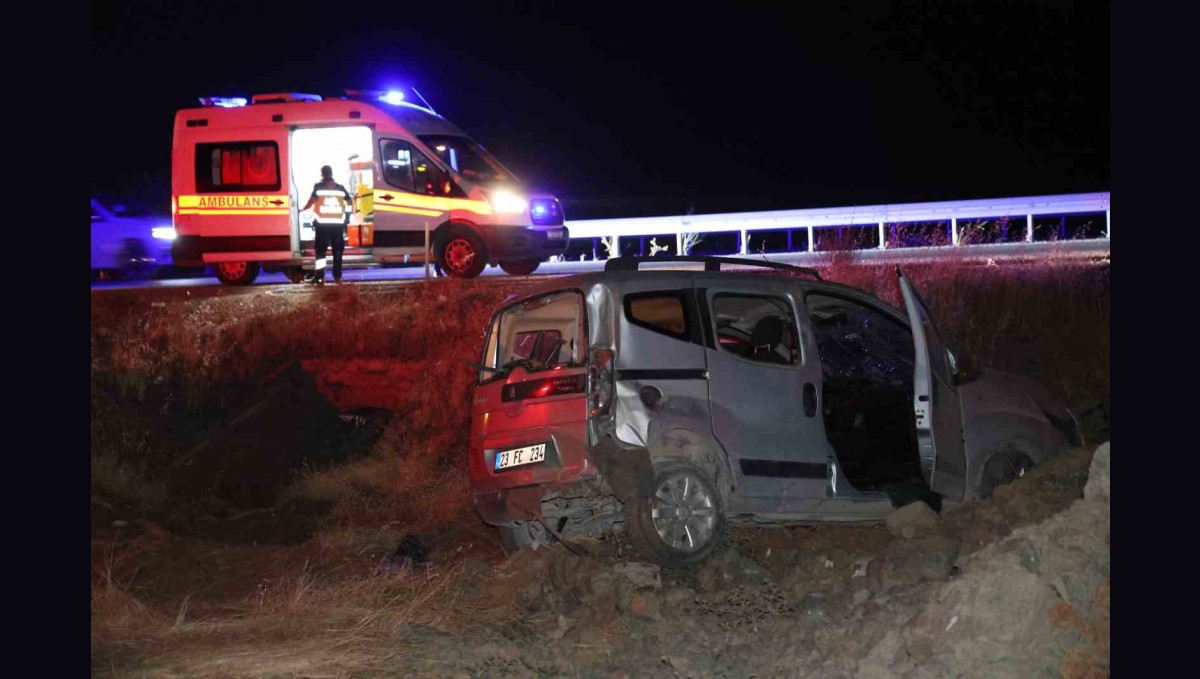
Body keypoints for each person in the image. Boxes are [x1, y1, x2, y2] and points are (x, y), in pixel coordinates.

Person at [300, 165, 354, 284]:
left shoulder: (318, 187)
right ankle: (337, 277)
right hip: (337, 226)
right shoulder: (340, 188)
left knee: (320, 252)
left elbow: (311, 202)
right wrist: (347, 215)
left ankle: (319, 277)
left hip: (322, 226)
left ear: (322, 174)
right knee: (338, 252)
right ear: (331, 173)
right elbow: (350, 202)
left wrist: (301, 209)